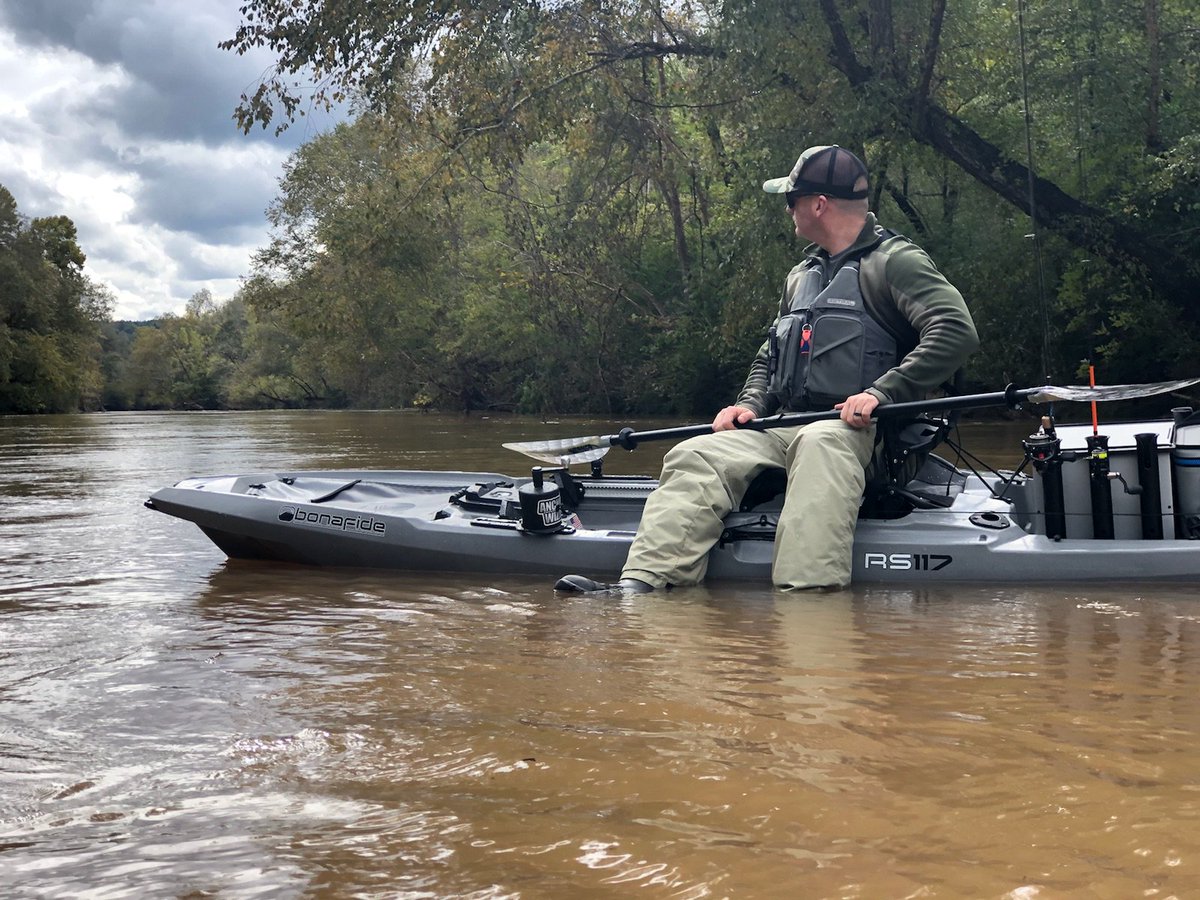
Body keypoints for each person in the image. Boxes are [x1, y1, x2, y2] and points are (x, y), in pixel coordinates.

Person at [556, 145, 979, 593]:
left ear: (819, 204)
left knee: (822, 441)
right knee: (697, 452)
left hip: (871, 437)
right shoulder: (801, 275)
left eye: (791, 198)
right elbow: (769, 357)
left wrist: (881, 394)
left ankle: (806, 607)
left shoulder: (895, 262)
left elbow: (955, 331)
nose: (788, 209)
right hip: (790, 426)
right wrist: (748, 404)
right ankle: (643, 587)